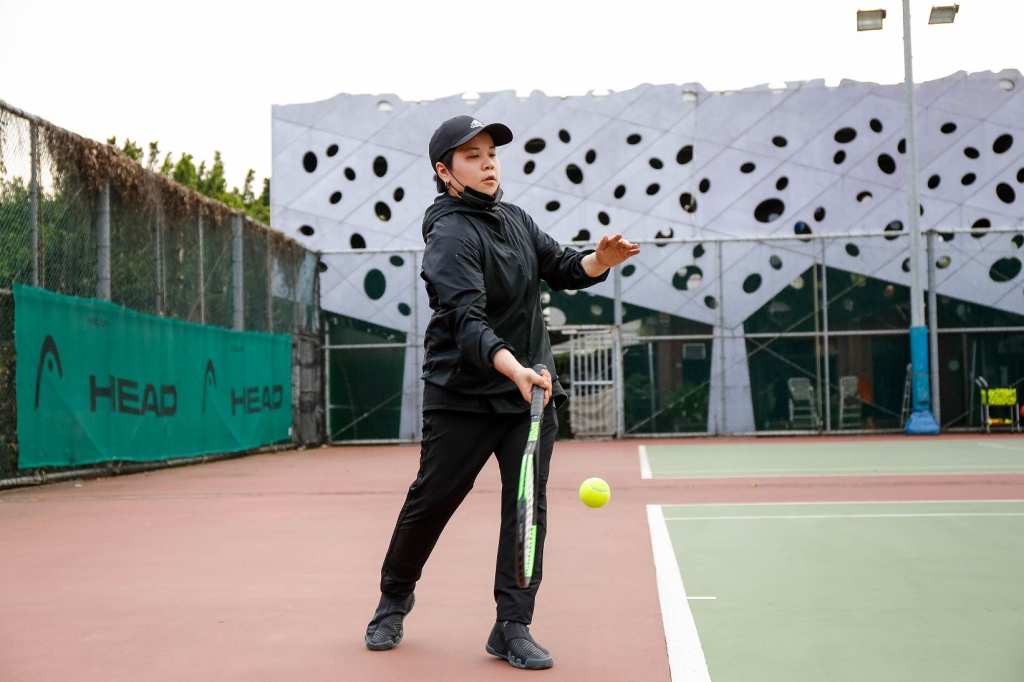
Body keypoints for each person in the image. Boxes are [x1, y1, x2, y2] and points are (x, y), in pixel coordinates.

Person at [364, 115, 640, 670]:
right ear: (445, 172)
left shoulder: (515, 219)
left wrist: (599, 261)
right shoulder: (448, 236)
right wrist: (513, 369)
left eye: (491, 152)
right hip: (462, 395)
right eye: (472, 156)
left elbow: (562, 265)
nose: (488, 162)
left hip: (528, 396)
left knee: (526, 508)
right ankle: (394, 596)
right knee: (433, 500)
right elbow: (467, 320)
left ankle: (512, 625)